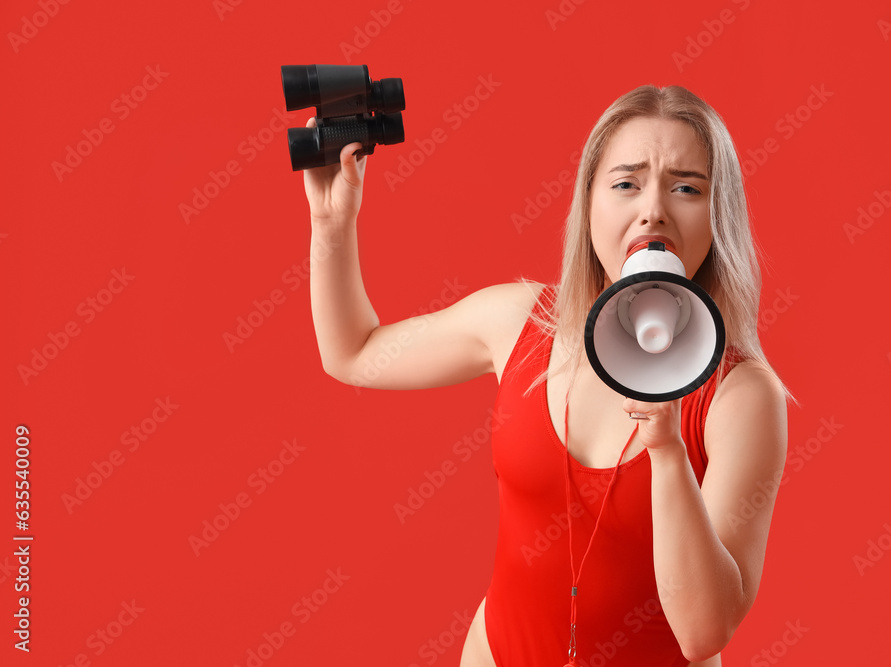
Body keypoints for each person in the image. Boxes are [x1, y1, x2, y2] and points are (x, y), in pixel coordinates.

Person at [302, 84, 789, 667]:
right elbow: (353, 353)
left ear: (719, 218)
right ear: (589, 207)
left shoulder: (741, 395)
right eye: (626, 183)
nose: (653, 208)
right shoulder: (518, 322)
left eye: (687, 187)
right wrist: (332, 226)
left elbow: (703, 632)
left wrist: (667, 452)